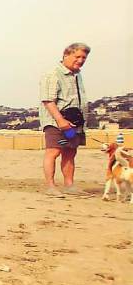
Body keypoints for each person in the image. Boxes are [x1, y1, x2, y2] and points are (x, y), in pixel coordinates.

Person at [39, 42, 90, 196]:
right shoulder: (53, 74)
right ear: (66, 54)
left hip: (74, 124)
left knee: (70, 152)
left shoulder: (77, 74)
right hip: (57, 123)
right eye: (77, 56)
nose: (81, 60)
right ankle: (51, 187)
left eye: (84, 57)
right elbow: (48, 100)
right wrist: (61, 121)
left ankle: (69, 185)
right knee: (53, 152)